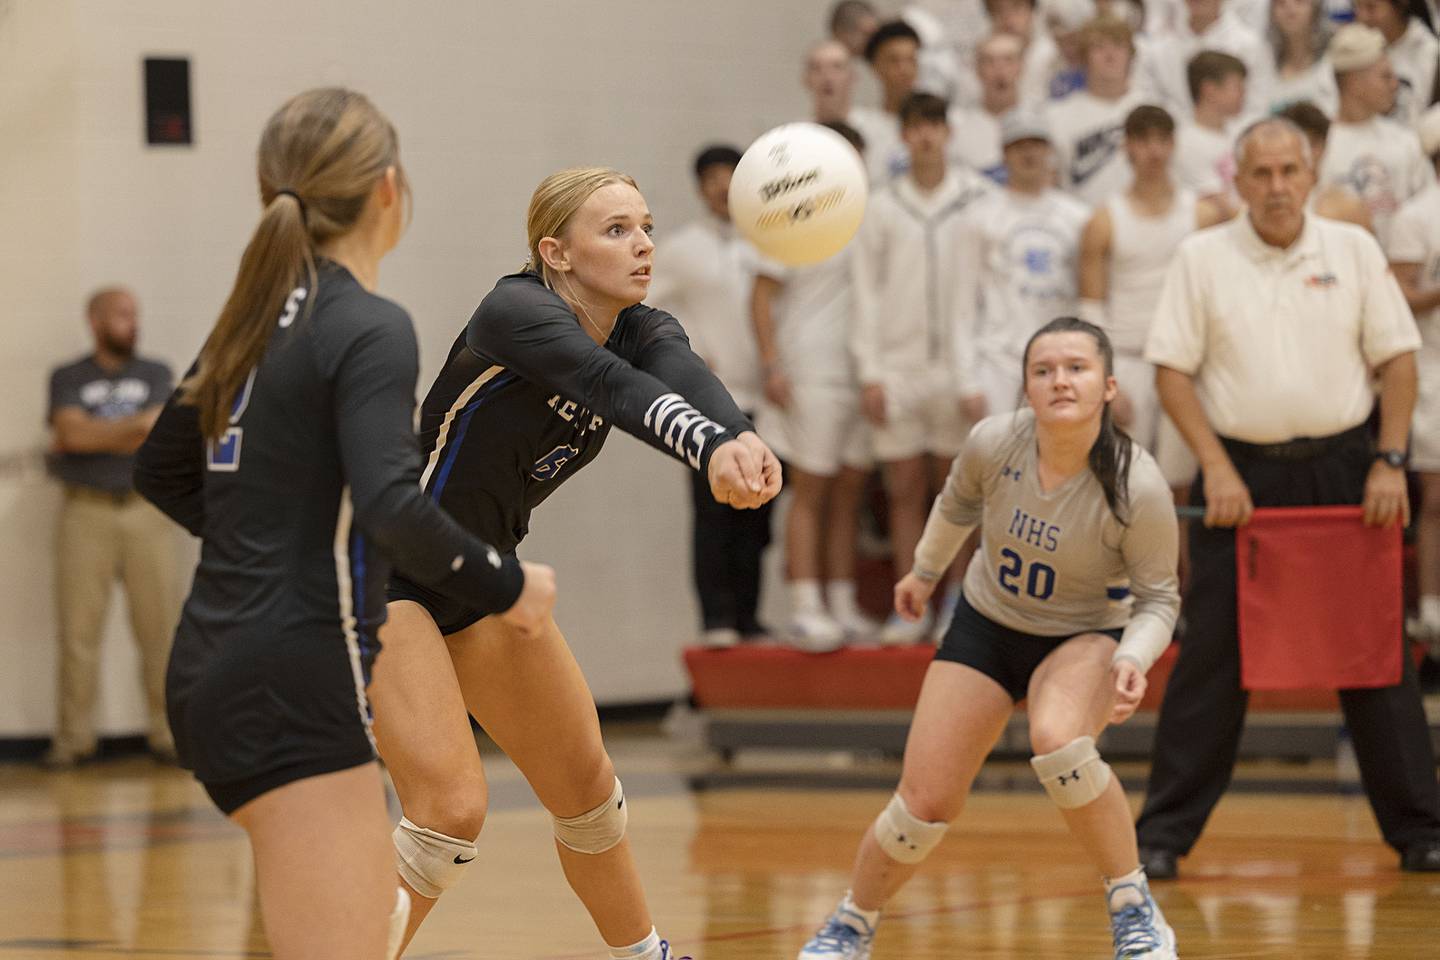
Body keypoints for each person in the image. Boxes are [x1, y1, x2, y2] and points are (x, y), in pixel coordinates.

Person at [133, 87, 557, 960]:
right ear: (389, 191)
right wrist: (508, 584)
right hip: (293, 673)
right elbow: (395, 505)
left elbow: (161, 470)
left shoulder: (250, 316)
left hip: (211, 664)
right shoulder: (370, 325)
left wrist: (266, 543)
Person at [371, 167, 782, 960]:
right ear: (555, 252)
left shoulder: (640, 324)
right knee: (450, 812)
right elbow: (612, 389)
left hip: (483, 578)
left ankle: (644, 957)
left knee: (589, 796)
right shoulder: (514, 312)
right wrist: (707, 448)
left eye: (647, 227)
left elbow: (685, 378)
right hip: (388, 575)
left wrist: (736, 434)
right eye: (617, 230)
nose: (643, 246)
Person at [796, 317, 1181, 960]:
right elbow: (954, 505)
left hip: (1083, 633)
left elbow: (1160, 599)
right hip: (986, 621)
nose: (1060, 380)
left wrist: (1135, 659)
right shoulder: (993, 443)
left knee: (1060, 745)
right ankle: (851, 924)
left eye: (1077, 368)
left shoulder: (1137, 485)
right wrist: (922, 572)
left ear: (1109, 386)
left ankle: (1134, 907)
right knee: (922, 806)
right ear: (1026, 388)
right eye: (1043, 369)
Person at [1135, 116, 1440, 880]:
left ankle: (1422, 831)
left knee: (1375, 654)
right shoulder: (1202, 257)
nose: (1276, 187)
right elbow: (1171, 370)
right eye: (1260, 174)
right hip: (1240, 476)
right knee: (1212, 657)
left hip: (1347, 471)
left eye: (1288, 172)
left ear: (1311, 175)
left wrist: (1390, 461)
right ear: (1238, 182)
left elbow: (1398, 362)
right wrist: (1216, 467)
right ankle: (1161, 837)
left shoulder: (1355, 249)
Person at [850, 92, 995, 646]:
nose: (926, 136)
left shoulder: (977, 198)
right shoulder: (882, 206)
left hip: (958, 370)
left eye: (935, 125)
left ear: (947, 132)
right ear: (904, 136)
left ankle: (957, 599)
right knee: (905, 488)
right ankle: (910, 603)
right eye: (916, 127)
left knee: (955, 491)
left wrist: (975, 371)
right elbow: (865, 292)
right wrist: (870, 371)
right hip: (897, 368)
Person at [752, 121, 877, 650]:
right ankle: (805, 605)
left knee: (849, 489)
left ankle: (842, 601)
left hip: (862, 372)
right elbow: (760, 296)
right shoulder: (794, 215)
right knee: (811, 489)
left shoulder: (874, 219)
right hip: (811, 371)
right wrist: (773, 365)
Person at [45, 287, 178, 768]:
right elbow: (69, 434)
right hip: (85, 513)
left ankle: (167, 735)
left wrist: (96, 435)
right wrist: (132, 429)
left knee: (159, 630)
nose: (132, 322)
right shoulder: (69, 376)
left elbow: (159, 432)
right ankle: (72, 741)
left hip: (146, 512)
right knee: (78, 633)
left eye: (135, 314)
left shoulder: (157, 373)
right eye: (122, 315)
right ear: (96, 321)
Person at [647, 145, 771, 648]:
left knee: (759, 513)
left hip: (768, 400)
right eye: (713, 179)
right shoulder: (680, 248)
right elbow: (643, 308)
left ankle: (750, 617)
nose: (722, 188)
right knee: (713, 510)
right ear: (700, 188)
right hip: (709, 402)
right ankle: (717, 619)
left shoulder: (768, 243)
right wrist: (691, 353)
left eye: (731, 177)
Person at [1078, 105, 1228, 460]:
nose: (1154, 151)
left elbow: (1217, 299)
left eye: (1162, 140)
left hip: (1186, 360)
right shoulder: (1103, 220)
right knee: (1125, 480)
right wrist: (1103, 383)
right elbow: (1090, 310)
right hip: (1128, 359)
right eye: (1144, 141)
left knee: (1183, 482)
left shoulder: (1202, 215)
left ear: (1174, 145)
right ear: (1126, 147)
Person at [959, 111, 1090, 418]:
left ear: (1049, 151)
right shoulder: (979, 216)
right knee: (995, 460)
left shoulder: (1079, 217)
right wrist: (966, 380)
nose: (1029, 153)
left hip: (1061, 360)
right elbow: (962, 304)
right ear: (1005, 154)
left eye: (1036, 144)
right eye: (1019, 146)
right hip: (998, 360)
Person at [1386, 105, 1440, 647]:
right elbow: (1399, 295)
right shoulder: (1417, 216)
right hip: (1434, 367)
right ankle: (1431, 611)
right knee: (1437, 498)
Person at [1317, 23, 1434, 245]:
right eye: (1385, 76)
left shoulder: (1405, 142)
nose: (1394, 85)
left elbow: (1428, 210)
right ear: (1354, 81)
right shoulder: (1319, 144)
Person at [1045, 15, 1147, 206]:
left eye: (1118, 45)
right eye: (1099, 47)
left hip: (1146, 222)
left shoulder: (1154, 110)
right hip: (1081, 223)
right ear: (1084, 57)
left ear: (1131, 54)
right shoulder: (1055, 116)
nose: (1110, 55)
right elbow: (1049, 185)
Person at [1136, 0, 1274, 120]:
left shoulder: (1250, 46)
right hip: (1170, 142)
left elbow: (1256, 109)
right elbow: (1149, 103)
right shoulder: (1158, 49)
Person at [1275, 99, 1377, 228]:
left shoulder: (1348, 206)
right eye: (1297, 145)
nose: (1306, 153)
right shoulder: (1258, 207)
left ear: (1324, 146)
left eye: (1312, 144)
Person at [851, 19, 924, 183]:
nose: (904, 70)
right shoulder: (859, 126)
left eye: (911, 60)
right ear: (875, 66)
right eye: (894, 61)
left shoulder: (940, 124)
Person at [1173, 51, 1249, 204]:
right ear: (1209, 89)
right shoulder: (1186, 142)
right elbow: (1217, 203)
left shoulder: (1240, 134)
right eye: (1237, 87)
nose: (1244, 94)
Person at [948, 32, 1025, 183]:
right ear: (977, 69)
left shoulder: (1042, 121)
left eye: (1008, 60)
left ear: (1021, 67)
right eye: (989, 62)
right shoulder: (957, 128)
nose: (999, 70)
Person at [1352, 0, 1438, 125]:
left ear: (1399, 6)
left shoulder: (1429, 53)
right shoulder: (1353, 44)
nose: (1362, 16)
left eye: (1371, 7)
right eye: (1357, 7)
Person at [1266, 0, 1338, 114]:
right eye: (1280, 3)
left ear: (1315, 10)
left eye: (1299, 2)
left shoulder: (1334, 60)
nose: (1290, 8)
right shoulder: (1263, 63)